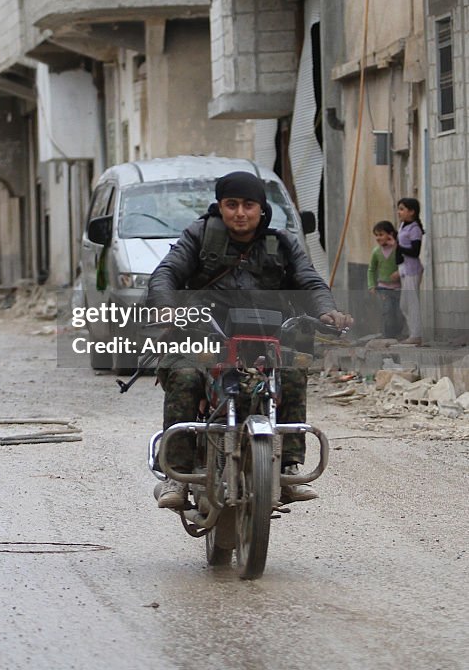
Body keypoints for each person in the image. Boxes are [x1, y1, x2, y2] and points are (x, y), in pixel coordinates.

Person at [146, 171, 352, 511]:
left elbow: (310, 282)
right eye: (231, 205)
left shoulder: (281, 243)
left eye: (248, 205)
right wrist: (166, 307)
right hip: (205, 334)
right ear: (220, 207)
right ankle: (178, 475)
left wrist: (327, 311)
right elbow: (166, 272)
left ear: (261, 208)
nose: (240, 213)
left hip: (264, 338)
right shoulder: (198, 236)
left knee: (292, 372)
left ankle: (287, 467)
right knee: (184, 375)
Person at [367, 220, 402, 339]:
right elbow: (371, 269)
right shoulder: (376, 252)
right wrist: (371, 285)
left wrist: (395, 245)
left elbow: (404, 262)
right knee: (387, 312)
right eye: (376, 235)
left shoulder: (397, 249)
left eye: (381, 234)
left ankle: (398, 334)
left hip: (398, 288)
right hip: (383, 288)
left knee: (399, 313)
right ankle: (388, 336)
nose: (378, 238)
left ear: (390, 234)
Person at [397, 197, 424, 345]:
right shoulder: (403, 226)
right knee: (404, 304)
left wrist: (399, 249)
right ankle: (413, 332)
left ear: (411, 211)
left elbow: (415, 251)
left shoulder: (414, 229)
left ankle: (416, 335)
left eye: (402, 209)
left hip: (412, 270)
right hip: (404, 270)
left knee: (412, 303)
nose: (399, 212)